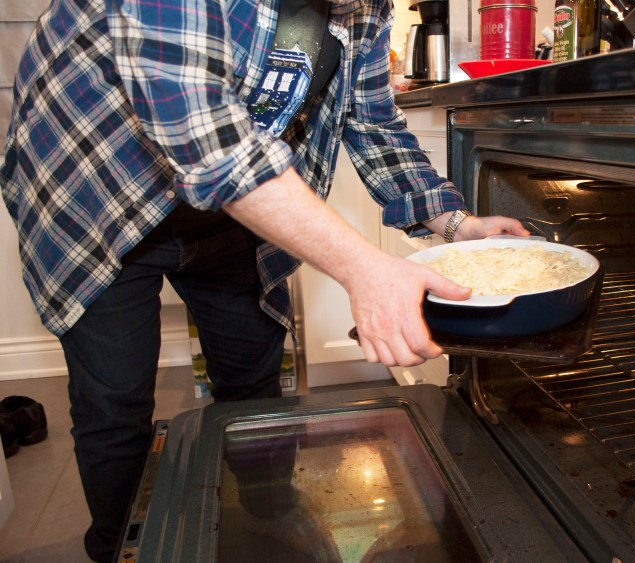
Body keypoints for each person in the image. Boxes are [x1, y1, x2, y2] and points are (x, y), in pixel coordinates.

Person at [1, 0, 529, 560]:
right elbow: (211, 144)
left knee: (253, 382)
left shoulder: (367, 7)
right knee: (115, 404)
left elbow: (372, 119)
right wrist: (363, 268)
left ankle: (267, 522)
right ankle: (117, 548)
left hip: (236, 212)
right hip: (98, 194)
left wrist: (456, 223)